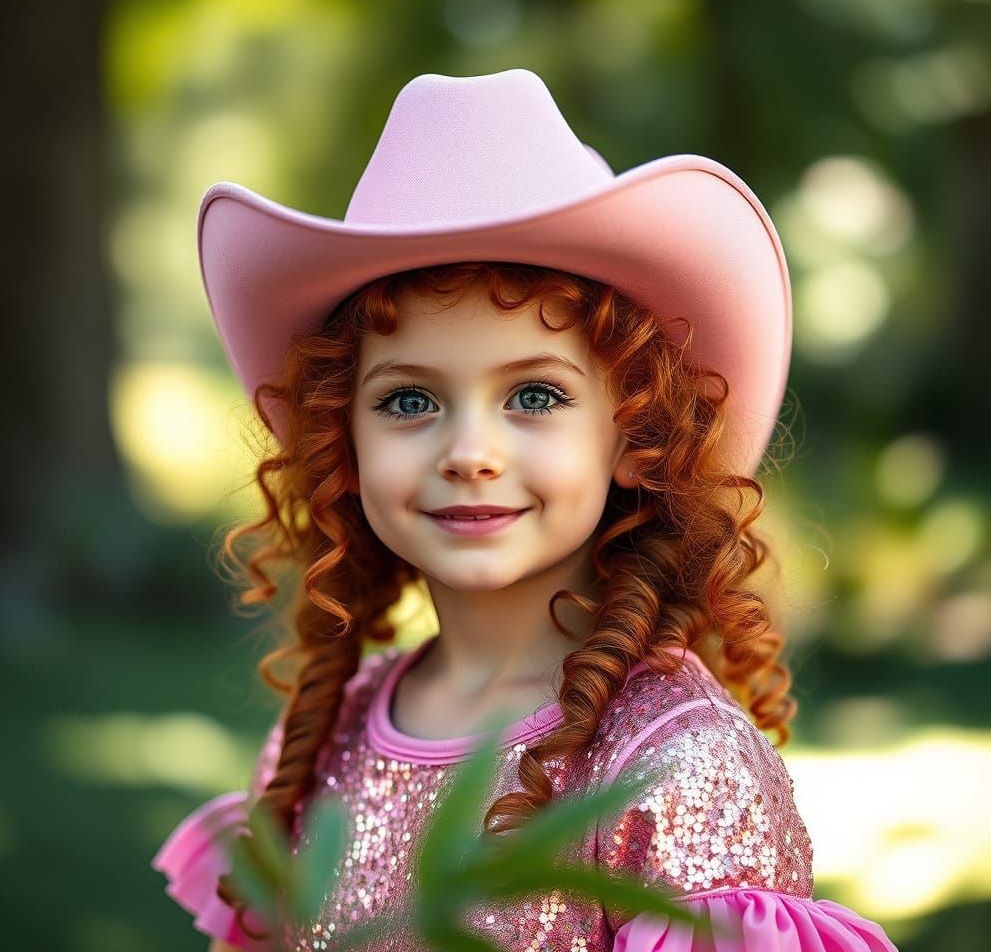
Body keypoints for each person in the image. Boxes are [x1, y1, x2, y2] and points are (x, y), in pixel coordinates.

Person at [151, 69, 899, 951]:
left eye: (535, 397)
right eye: (407, 401)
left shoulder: (675, 767)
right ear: (340, 443)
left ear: (634, 435)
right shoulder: (319, 745)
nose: (470, 450)